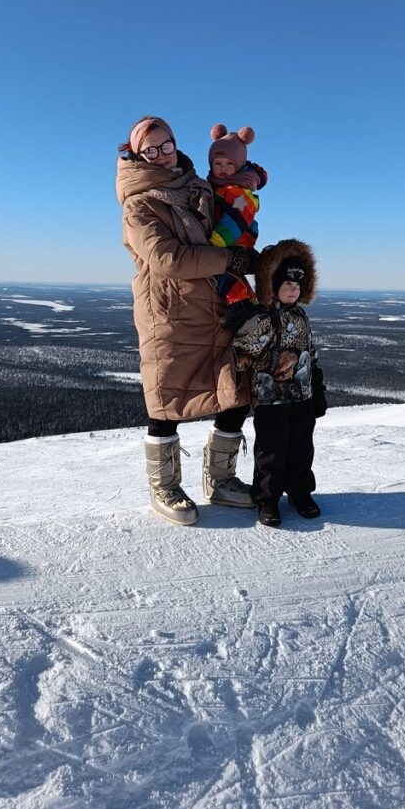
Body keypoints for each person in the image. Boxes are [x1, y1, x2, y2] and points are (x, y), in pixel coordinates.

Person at [115, 116, 258, 526]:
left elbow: (229, 208)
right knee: (166, 398)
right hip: (170, 310)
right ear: (138, 155)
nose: (162, 154)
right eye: (151, 150)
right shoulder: (139, 203)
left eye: (167, 145)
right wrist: (229, 260)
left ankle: (222, 481)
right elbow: (167, 258)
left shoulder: (196, 185)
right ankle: (164, 487)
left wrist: (247, 181)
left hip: (217, 303)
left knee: (233, 390)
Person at [232, 239, 328, 528]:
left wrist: (318, 388)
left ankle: (300, 493)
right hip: (270, 399)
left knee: (301, 448)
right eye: (287, 283)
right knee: (271, 452)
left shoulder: (300, 316)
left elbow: (310, 353)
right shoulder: (262, 318)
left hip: (301, 397)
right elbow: (241, 351)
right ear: (272, 285)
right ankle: (267, 499)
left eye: (298, 285)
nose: (293, 289)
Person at [206, 124, 268, 331]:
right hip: (227, 240)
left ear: (238, 165)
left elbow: (238, 218)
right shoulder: (219, 188)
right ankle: (242, 303)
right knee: (219, 272)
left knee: (218, 270)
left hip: (235, 240)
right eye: (217, 163)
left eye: (228, 163)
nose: (222, 168)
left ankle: (241, 303)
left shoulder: (239, 190)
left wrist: (216, 240)